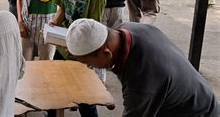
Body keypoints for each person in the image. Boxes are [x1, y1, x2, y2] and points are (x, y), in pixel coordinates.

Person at [66, 18, 219, 117]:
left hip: (199, 112)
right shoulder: (128, 29)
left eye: (89, 62)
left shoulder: (141, 79)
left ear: (106, 53)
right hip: (186, 97)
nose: (89, 67)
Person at [49, 0, 106, 117]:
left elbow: (94, 31)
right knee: (54, 88)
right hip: (62, 46)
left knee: (82, 95)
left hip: (82, 52)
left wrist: (85, 57)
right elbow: (63, 9)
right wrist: (53, 25)